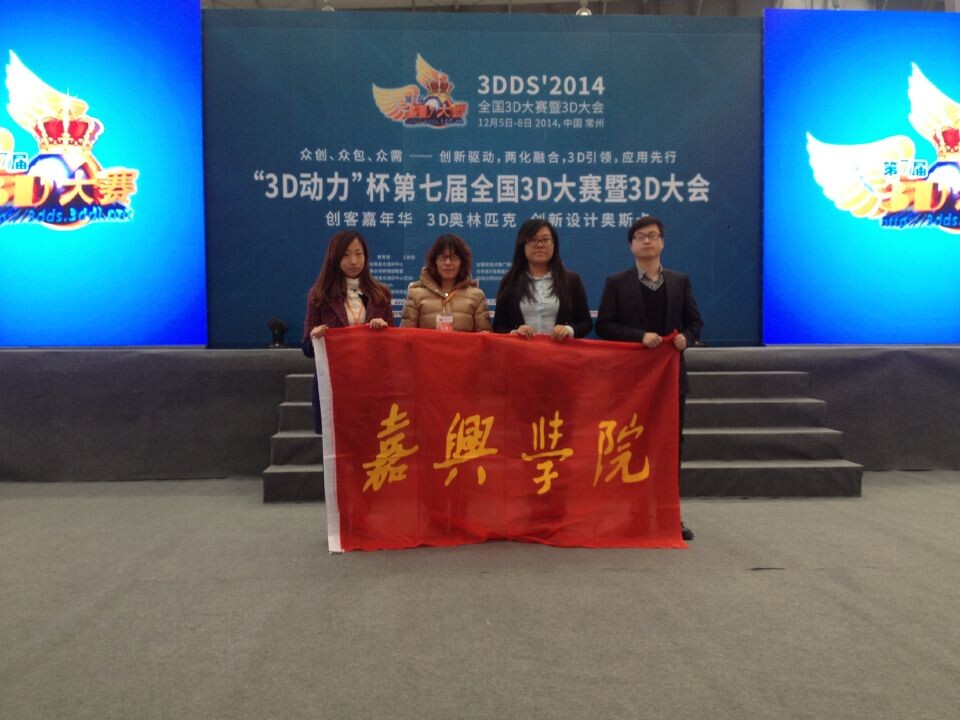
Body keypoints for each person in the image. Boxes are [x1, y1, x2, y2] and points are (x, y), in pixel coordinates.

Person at [596, 216, 703, 541]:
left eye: (653, 236)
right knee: (631, 444)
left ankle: (669, 514)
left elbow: (695, 323)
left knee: (669, 446)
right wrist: (639, 336)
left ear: (662, 242)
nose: (647, 241)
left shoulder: (680, 281)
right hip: (631, 382)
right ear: (631, 245)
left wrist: (686, 338)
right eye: (640, 236)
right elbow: (605, 326)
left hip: (670, 380)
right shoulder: (617, 282)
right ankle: (629, 512)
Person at [301, 230, 393, 434]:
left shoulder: (381, 294)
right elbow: (306, 347)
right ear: (335, 257)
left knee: (371, 442)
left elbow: (391, 347)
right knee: (336, 447)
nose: (354, 261)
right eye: (346, 255)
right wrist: (317, 337)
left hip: (371, 382)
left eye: (359, 254)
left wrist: (384, 331)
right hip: (334, 384)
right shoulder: (319, 295)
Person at [492, 219, 593, 340]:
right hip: (521, 350)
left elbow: (586, 323)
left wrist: (568, 330)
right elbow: (498, 326)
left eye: (545, 240)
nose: (540, 245)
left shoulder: (572, 280)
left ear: (554, 244)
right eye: (533, 240)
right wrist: (515, 332)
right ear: (522, 245)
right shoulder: (510, 281)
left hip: (561, 351)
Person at [400, 234, 492, 332]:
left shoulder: (476, 296)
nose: (448, 263)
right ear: (434, 261)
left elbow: (484, 336)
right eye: (442, 257)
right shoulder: (416, 295)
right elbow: (406, 335)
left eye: (454, 257)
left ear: (462, 262)